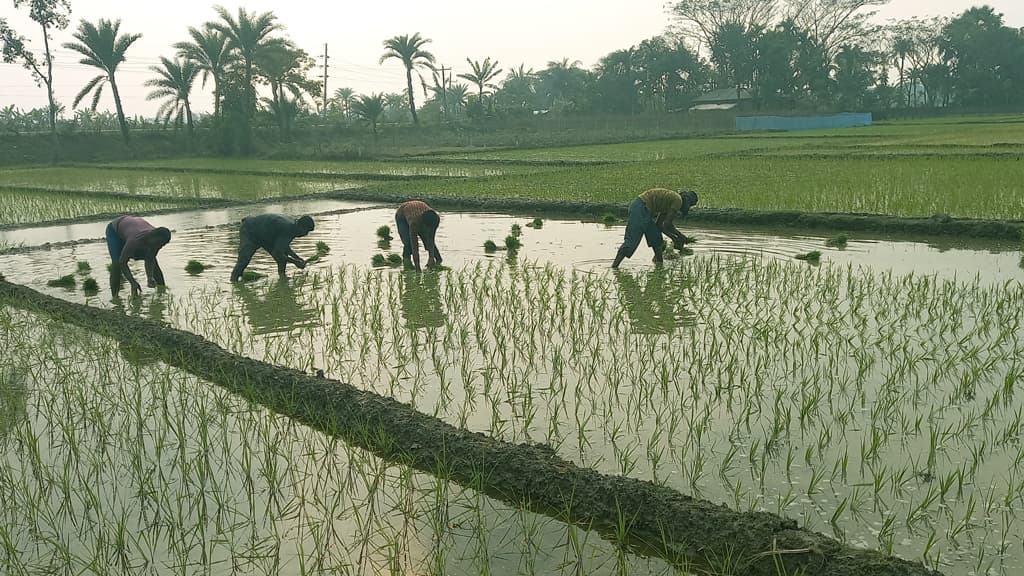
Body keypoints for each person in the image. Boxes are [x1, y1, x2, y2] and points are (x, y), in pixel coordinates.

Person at [611, 188, 698, 268]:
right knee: (631, 242)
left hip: (644, 210)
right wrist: (681, 237)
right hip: (641, 208)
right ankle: (614, 267)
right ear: (688, 201)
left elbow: (659, 225)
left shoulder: (671, 201)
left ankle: (659, 266)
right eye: (690, 205)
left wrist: (674, 238)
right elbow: (668, 224)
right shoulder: (678, 200)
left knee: (657, 240)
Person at [230, 214, 315, 282]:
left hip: (266, 236)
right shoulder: (289, 228)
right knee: (243, 260)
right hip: (250, 231)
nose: (306, 234)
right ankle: (234, 281)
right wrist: (295, 262)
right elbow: (277, 253)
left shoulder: (294, 227)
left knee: (282, 258)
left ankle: (282, 279)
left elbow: (284, 247)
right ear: (301, 227)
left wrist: (297, 258)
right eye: (306, 231)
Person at [106, 215, 171, 297]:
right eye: (159, 244)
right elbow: (122, 262)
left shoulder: (157, 241)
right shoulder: (135, 240)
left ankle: (162, 292)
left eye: (163, 245)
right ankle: (115, 298)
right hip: (115, 230)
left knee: (154, 262)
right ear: (153, 237)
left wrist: (150, 278)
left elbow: (150, 259)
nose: (160, 246)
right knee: (116, 264)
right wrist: (132, 282)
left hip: (131, 225)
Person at [395, 200, 442, 271]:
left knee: (427, 240)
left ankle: (438, 260)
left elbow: (431, 239)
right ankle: (407, 263)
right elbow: (415, 247)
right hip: (402, 217)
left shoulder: (435, 219)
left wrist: (431, 257)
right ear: (423, 224)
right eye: (427, 228)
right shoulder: (414, 223)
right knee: (408, 243)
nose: (429, 230)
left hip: (418, 208)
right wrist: (418, 268)